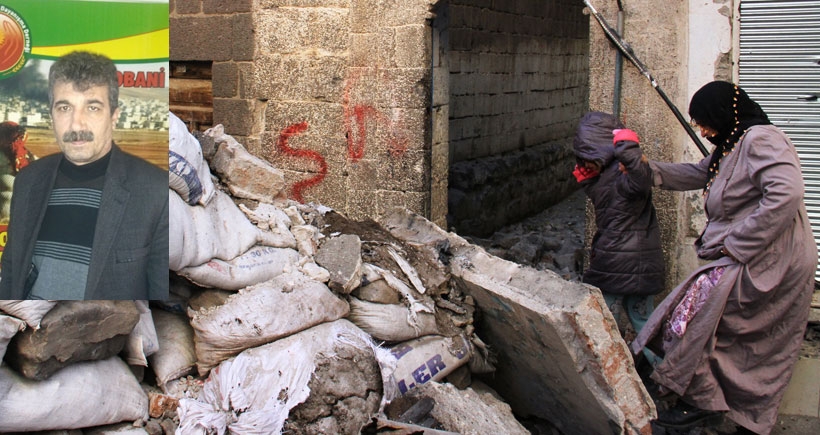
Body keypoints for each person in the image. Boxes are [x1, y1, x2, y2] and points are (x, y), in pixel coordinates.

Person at [630, 81, 817, 435]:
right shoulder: (732, 146)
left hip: (774, 258)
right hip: (752, 255)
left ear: (724, 114)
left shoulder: (762, 138)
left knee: (708, 320)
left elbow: (786, 192)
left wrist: (737, 243)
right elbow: (701, 173)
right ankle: (702, 401)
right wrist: (649, 170)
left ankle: (702, 405)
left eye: (705, 121)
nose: (703, 130)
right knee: (706, 324)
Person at [0, 51, 168, 300]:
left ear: (114, 116)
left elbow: (159, 301)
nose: (76, 125)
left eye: (92, 107)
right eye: (65, 107)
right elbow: (12, 273)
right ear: (52, 114)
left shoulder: (154, 190)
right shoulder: (28, 181)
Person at [572, 111, 665, 345]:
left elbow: (640, 177)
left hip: (613, 263)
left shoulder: (627, 176)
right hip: (640, 264)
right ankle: (665, 372)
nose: (584, 162)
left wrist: (627, 147)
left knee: (605, 329)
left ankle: (614, 377)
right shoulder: (607, 178)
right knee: (646, 326)